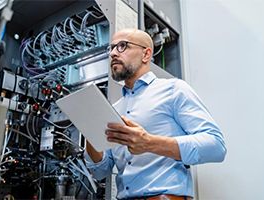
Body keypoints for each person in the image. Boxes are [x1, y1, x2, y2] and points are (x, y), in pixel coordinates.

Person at [84, 28, 226, 200]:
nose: (113, 53)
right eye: (111, 48)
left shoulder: (174, 89)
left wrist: (149, 143)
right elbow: (101, 171)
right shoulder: (114, 109)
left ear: (146, 54)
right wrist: (89, 132)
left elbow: (216, 146)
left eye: (122, 46)